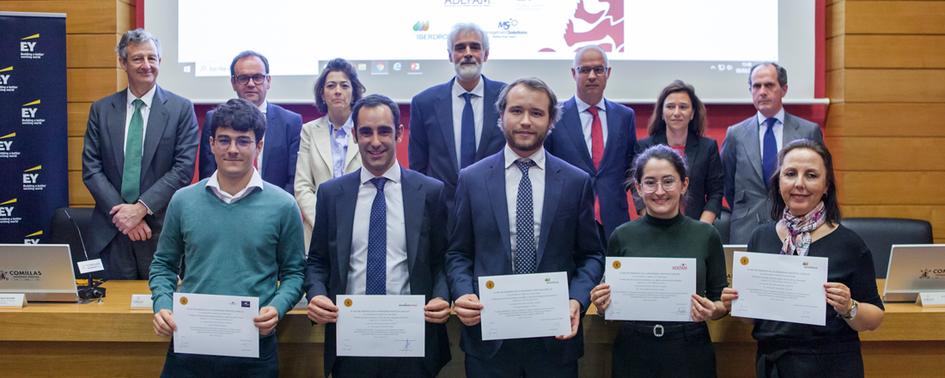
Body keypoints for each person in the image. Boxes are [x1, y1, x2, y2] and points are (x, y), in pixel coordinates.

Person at [446, 78, 604, 377]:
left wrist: (576, 300)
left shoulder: (575, 181)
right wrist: (463, 293)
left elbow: (592, 255)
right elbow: (458, 253)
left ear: (551, 120)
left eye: (537, 113)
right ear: (501, 116)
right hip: (489, 339)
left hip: (555, 340)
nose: (526, 121)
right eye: (517, 111)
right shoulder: (472, 179)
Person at [149, 98, 305, 377]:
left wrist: (278, 308)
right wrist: (162, 304)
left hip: (254, 350)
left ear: (258, 147)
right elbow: (163, 265)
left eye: (243, 141)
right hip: (190, 345)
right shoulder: (183, 201)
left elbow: (295, 273)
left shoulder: (283, 205)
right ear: (211, 144)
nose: (232, 149)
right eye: (224, 140)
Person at [304, 94, 451, 377]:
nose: (375, 141)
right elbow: (317, 261)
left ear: (399, 133)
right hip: (351, 340)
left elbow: (443, 259)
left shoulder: (430, 192)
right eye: (366, 132)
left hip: (413, 341)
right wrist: (317, 294)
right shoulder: (332, 194)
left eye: (384, 131)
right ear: (355, 136)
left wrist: (442, 296)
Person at [721, 139, 884, 377]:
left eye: (811, 175)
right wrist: (736, 302)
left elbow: (875, 317)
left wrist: (848, 306)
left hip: (830, 365)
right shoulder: (760, 238)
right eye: (790, 174)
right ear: (779, 182)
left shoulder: (849, 244)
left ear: (826, 185)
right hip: (772, 364)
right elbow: (753, 319)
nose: (799, 184)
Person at [591, 145, 727, 377]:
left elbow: (720, 301)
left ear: (684, 185)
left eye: (668, 181)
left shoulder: (706, 235)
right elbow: (608, 305)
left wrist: (713, 309)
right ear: (638, 188)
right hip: (634, 350)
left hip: (689, 350)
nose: (660, 191)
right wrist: (602, 304)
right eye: (650, 182)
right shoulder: (621, 236)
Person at [82, 29, 198, 279]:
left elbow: (183, 169)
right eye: (137, 59)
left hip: (160, 231)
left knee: (161, 311)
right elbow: (91, 169)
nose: (146, 65)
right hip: (112, 231)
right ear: (123, 62)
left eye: (152, 58)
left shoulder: (181, 109)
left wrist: (140, 209)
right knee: (110, 312)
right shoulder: (101, 110)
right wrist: (124, 215)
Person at [722, 63, 823, 244]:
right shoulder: (735, 134)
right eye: (756, 86)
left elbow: (820, 178)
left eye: (769, 85)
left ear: (784, 89)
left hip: (797, 225)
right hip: (747, 227)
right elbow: (727, 184)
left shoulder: (808, 131)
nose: (762, 91)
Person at [409, 22, 507, 208]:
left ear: (486, 54)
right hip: (442, 212)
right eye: (460, 48)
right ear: (450, 56)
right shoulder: (424, 103)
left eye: (475, 47)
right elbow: (418, 167)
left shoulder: (507, 97)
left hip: (494, 208)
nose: (468, 53)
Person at [545, 45, 637, 243]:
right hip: (568, 220)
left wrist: (643, 208)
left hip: (614, 220)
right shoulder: (555, 115)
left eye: (599, 69)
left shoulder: (625, 116)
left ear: (608, 73)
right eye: (584, 70)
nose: (592, 75)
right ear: (573, 73)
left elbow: (632, 168)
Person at [198, 50, 302, 193]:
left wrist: (277, 205)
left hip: (275, 206)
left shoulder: (290, 122)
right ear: (233, 83)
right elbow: (208, 173)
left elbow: (294, 179)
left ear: (268, 81)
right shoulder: (213, 118)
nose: (251, 84)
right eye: (243, 78)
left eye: (258, 77)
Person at [294, 58, 364, 250]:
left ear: (353, 92)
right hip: (318, 233)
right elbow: (302, 186)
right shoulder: (309, 131)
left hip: (361, 230)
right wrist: (325, 224)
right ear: (322, 94)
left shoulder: (366, 129)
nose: (338, 91)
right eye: (331, 86)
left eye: (344, 85)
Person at [635, 80, 723, 223]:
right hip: (655, 226)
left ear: (692, 113)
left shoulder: (708, 147)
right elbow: (637, 189)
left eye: (683, 107)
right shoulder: (645, 146)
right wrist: (650, 221)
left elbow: (716, 193)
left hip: (696, 227)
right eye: (670, 107)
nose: (676, 112)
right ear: (662, 113)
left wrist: (701, 228)